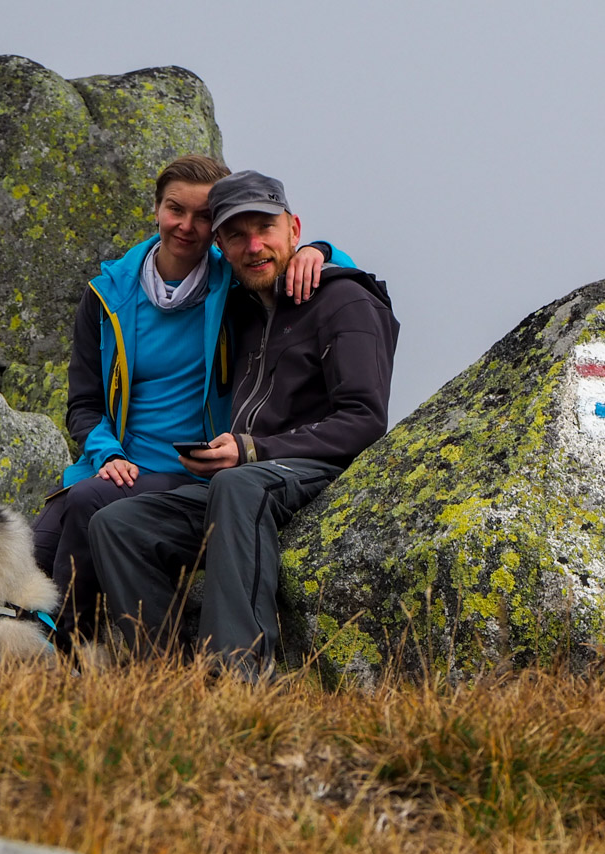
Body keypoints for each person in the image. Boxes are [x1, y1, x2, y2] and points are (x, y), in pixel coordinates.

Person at [88, 170, 399, 677]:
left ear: (293, 230)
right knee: (119, 524)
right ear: (222, 248)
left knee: (236, 484)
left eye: (266, 230)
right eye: (236, 234)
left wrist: (252, 450)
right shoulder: (242, 304)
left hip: (321, 470)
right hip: (247, 476)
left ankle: (239, 674)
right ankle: (156, 681)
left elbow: (366, 419)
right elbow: (163, 267)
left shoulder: (345, 301)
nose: (254, 246)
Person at [28, 155, 350, 645]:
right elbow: (84, 403)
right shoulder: (107, 293)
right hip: (118, 466)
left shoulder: (234, 283)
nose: (187, 226)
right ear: (156, 209)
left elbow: (313, 268)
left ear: (218, 230)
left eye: (204, 216)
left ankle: (72, 656)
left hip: (197, 471)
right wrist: (106, 453)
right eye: (176, 209)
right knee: (34, 549)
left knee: (89, 506)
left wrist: (319, 252)